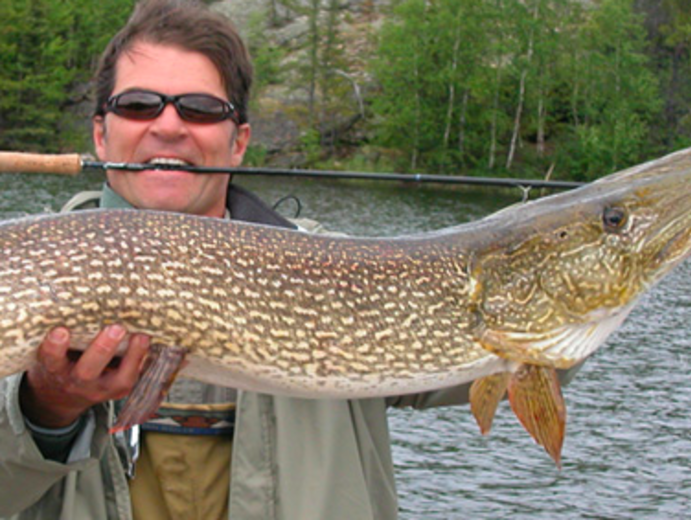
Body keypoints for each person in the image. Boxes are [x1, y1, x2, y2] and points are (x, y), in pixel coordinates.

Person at [0, 1, 581, 518]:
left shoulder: (341, 268)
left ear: (240, 140)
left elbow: (495, 356)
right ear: (101, 134)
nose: (169, 125)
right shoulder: (36, 260)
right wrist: (45, 411)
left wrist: (588, 290)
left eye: (201, 109)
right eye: (139, 104)